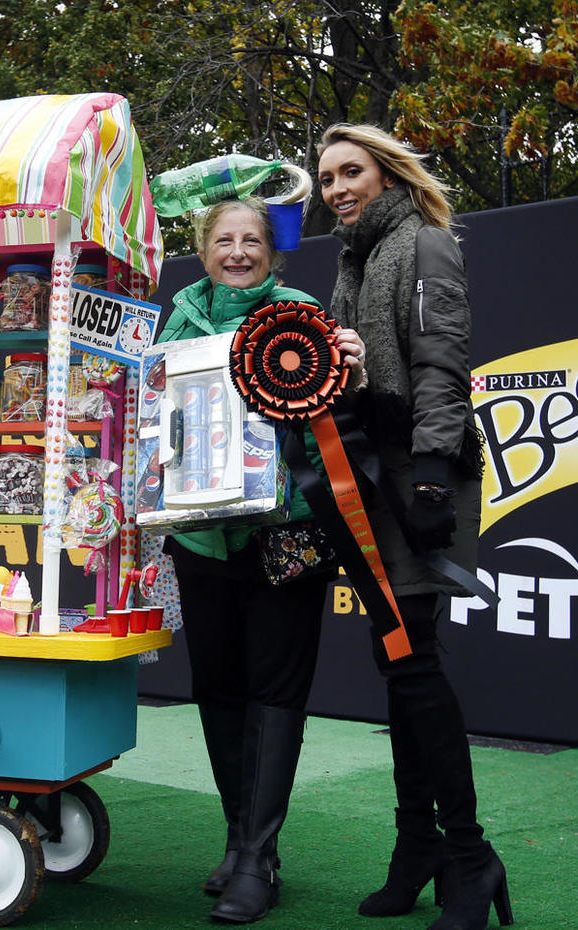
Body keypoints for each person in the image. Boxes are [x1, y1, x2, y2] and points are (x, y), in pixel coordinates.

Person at [317, 125, 510, 930]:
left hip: (420, 477)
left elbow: (442, 363)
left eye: (349, 170)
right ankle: (415, 846)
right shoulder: (350, 262)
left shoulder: (425, 244)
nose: (335, 187)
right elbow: (351, 379)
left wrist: (432, 470)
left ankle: (470, 857)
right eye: (325, 177)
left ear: (386, 172)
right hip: (367, 480)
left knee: (416, 661)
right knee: (396, 662)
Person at [157, 197, 340, 923]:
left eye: (252, 240)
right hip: (201, 536)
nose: (238, 252)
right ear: (202, 252)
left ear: (273, 250)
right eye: (224, 240)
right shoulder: (178, 316)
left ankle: (260, 857)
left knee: (275, 690)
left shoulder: (299, 310)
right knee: (220, 688)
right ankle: (238, 841)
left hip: (283, 532)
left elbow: (331, 411)